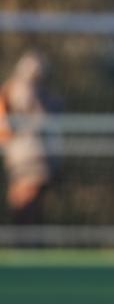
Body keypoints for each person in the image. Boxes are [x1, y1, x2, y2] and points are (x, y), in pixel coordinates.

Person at [0, 51, 59, 225]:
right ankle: (26, 243)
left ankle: (27, 244)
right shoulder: (24, 90)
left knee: (27, 207)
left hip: (28, 158)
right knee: (25, 206)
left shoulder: (30, 92)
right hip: (26, 158)